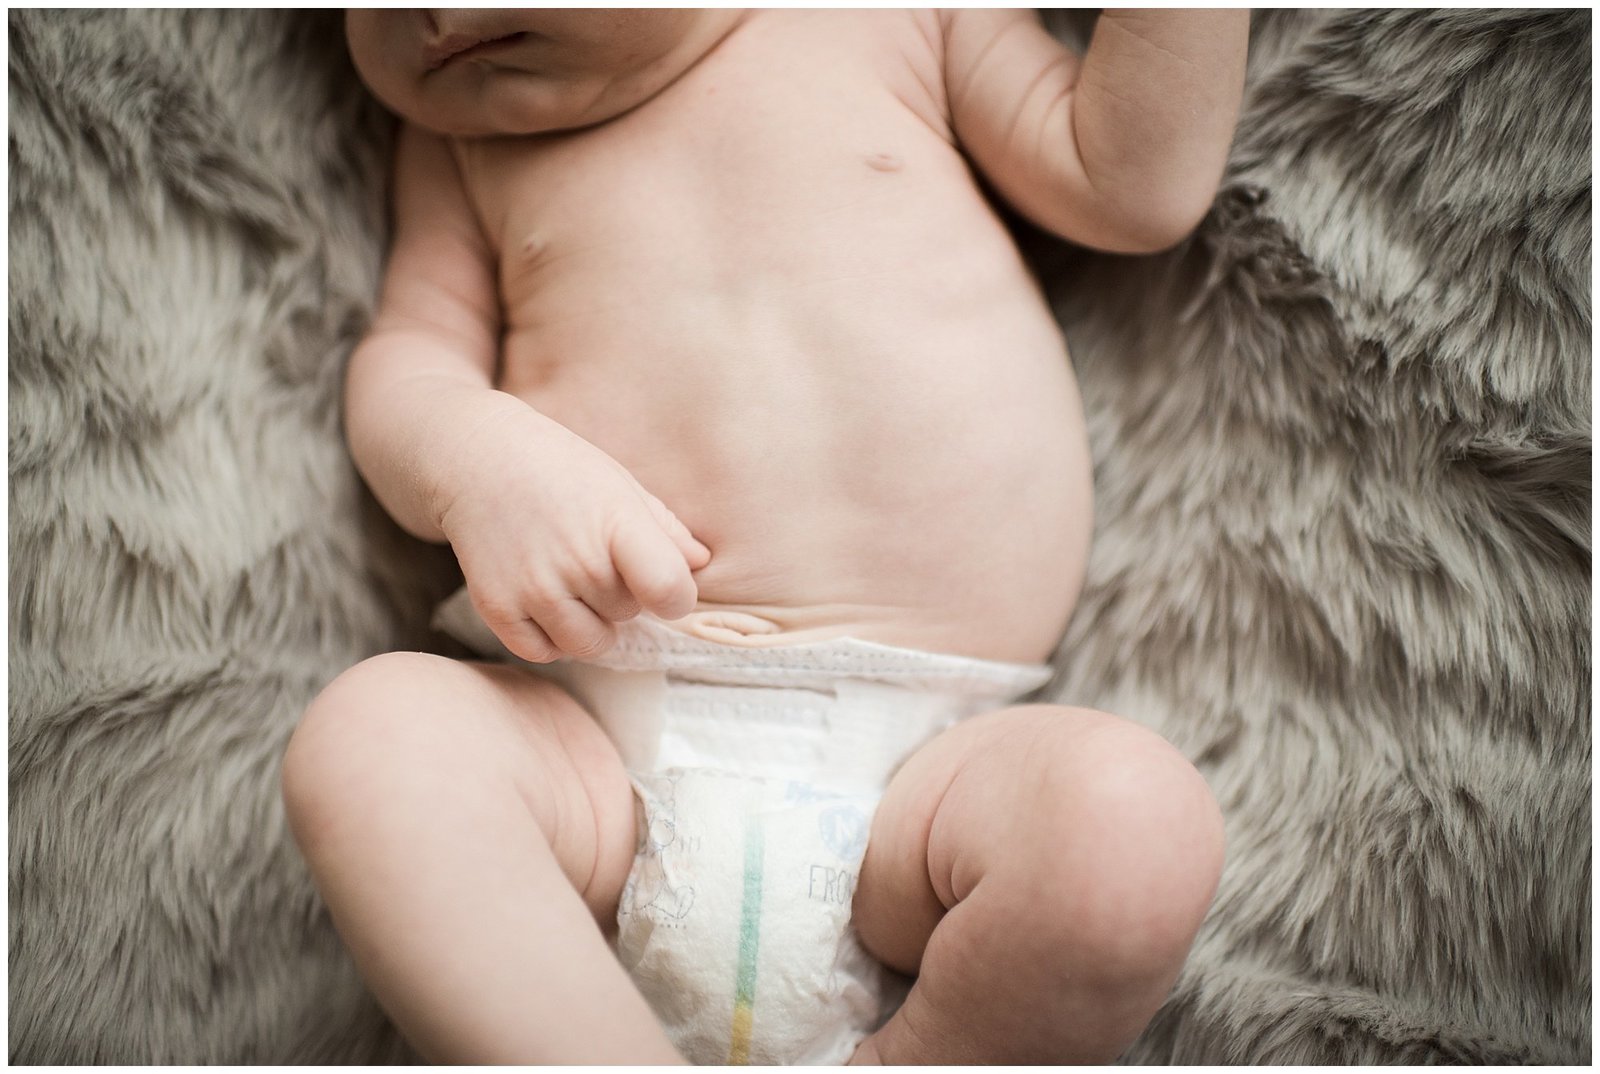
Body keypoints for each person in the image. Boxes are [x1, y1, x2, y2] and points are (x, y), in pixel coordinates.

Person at [282, 8, 1247, 1065]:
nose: (431, 16)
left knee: (1130, 828)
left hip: (925, 786)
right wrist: (474, 462)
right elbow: (410, 360)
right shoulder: (463, 140)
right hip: (589, 750)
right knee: (371, 740)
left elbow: (1131, 183)